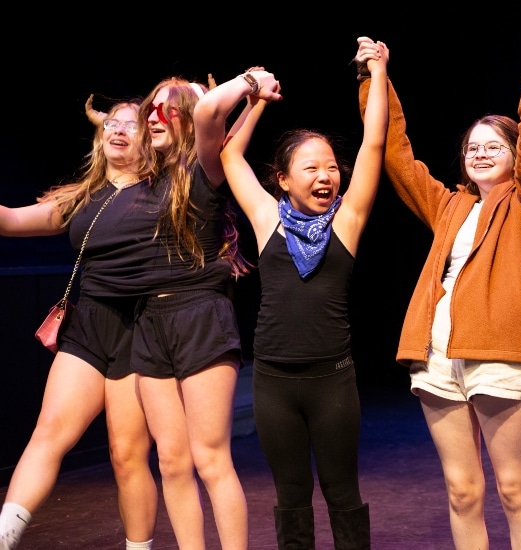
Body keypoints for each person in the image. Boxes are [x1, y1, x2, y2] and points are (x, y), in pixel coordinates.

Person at [356, 18, 521, 549]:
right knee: (460, 489)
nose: (479, 153)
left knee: (514, 488)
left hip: (500, 352)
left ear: (513, 154)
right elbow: (395, 154)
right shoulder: (450, 206)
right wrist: (373, 77)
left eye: (493, 146)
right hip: (436, 354)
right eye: (472, 147)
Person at [195, 38, 388, 550]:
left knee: (343, 494)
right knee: (291, 496)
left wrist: (378, 71)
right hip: (275, 384)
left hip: (333, 383)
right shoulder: (266, 220)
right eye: (311, 168)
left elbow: (373, 143)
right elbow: (229, 152)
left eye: (330, 166)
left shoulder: (347, 220)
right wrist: (257, 100)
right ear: (282, 180)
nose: (326, 175)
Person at [0, 102, 158, 550]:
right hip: (87, 328)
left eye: (133, 124)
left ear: (151, 136)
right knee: (48, 433)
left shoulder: (165, 188)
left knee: (126, 456)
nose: (119, 131)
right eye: (113, 124)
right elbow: (11, 220)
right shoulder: (82, 196)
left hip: (140, 329)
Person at [131, 74, 276, 550]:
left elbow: (212, 112)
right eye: (149, 108)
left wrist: (251, 83)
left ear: (187, 117)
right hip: (150, 322)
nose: (152, 115)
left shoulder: (206, 167)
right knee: (171, 461)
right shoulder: (140, 181)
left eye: (165, 108)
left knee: (210, 458)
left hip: (200, 318)